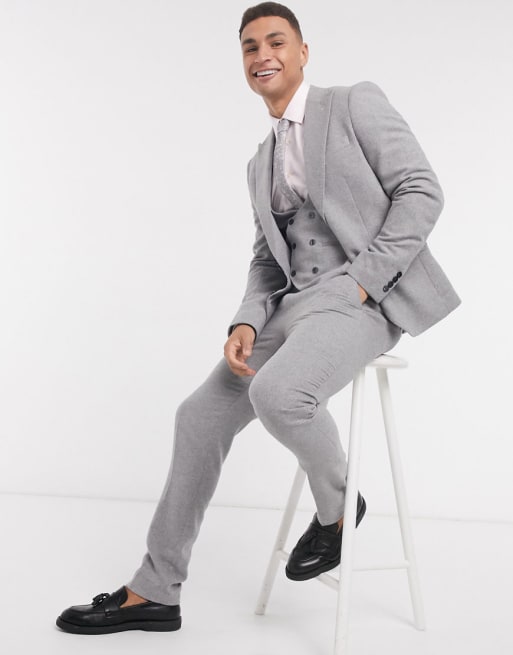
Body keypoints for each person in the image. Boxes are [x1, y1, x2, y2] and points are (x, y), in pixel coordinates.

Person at [56, 1, 461, 635]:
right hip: (293, 304)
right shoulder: (259, 164)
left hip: (363, 299)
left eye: (276, 41)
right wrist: (245, 322)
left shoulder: (354, 103)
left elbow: (422, 190)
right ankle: (155, 590)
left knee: (279, 394)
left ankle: (337, 509)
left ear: (303, 51)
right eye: (250, 47)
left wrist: (365, 281)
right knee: (197, 417)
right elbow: (266, 261)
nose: (262, 55)